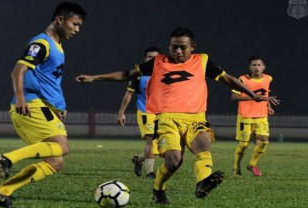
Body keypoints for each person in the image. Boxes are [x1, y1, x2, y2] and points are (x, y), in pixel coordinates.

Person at [75, 27, 269, 205]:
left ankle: (203, 182)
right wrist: (95, 77)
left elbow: (227, 79)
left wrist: (251, 94)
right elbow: (128, 73)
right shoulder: (158, 62)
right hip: (166, 119)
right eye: (174, 47)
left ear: (192, 47)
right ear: (168, 46)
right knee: (174, 161)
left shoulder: (203, 61)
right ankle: (159, 189)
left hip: (196, 118)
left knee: (203, 146)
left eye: (183, 48)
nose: (177, 51)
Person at [0, 2, 86, 208]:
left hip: (42, 107)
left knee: (55, 162)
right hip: (31, 105)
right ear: (60, 20)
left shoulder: (57, 46)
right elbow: (18, 71)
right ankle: (6, 159)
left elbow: (48, 80)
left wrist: (57, 106)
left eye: (79, 26)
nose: (76, 30)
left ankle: (3, 191)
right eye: (74, 24)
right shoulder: (42, 43)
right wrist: (21, 97)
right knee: (62, 146)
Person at [232, 56, 280, 177]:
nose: (256, 67)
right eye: (254, 65)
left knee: (264, 141)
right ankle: (236, 167)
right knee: (243, 145)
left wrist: (268, 106)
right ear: (250, 67)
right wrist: (253, 97)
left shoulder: (269, 78)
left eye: (259, 65)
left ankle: (252, 164)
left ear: (263, 67)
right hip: (245, 117)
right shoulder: (242, 80)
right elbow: (234, 97)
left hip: (261, 116)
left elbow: (266, 94)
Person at [117, 47, 160, 179]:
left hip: (162, 113)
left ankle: (138, 160)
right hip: (145, 111)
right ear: (144, 59)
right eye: (149, 57)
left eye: (155, 58)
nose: (151, 60)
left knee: (160, 146)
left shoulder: (164, 73)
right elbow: (129, 93)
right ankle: (150, 172)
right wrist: (121, 112)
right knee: (151, 142)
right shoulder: (139, 74)